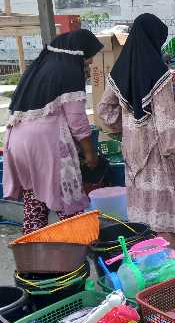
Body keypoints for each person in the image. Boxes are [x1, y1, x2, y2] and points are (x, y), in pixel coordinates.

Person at [98, 14, 175, 250]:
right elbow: (166, 122)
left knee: (143, 212)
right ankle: (170, 267)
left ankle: (146, 259)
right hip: (161, 155)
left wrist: (128, 127)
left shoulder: (119, 72)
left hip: (133, 154)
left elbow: (104, 110)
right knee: (165, 213)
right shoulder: (159, 75)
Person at [4, 30, 102, 234]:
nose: (91, 62)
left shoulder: (42, 67)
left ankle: (32, 256)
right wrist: (90, 153)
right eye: (90, 55)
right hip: (45, 144)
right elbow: (77, 121)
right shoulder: (69, 71)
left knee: (35, 201)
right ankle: (75, 253)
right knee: (68, 204)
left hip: (17, 140)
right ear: (79, 52)